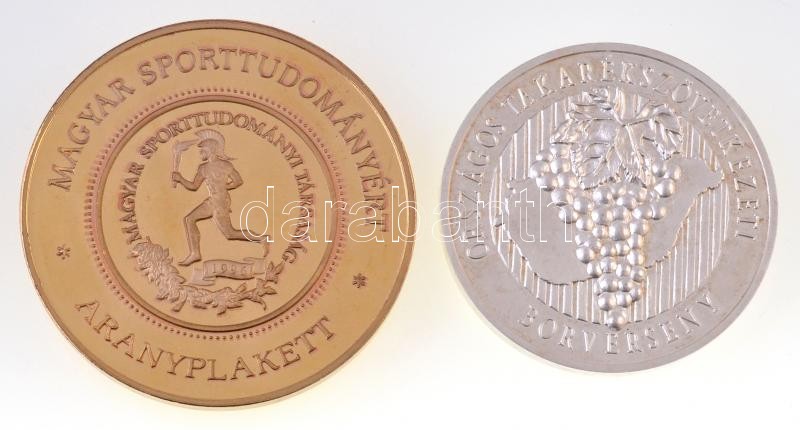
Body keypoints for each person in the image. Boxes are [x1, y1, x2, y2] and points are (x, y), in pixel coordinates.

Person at [171, 129, 251, 266]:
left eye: (202, 150)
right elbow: (238, 181)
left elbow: (193, 186)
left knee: (230, 233)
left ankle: (262, 238)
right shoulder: (214, 166)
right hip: (215, 200)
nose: (200, 153)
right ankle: (195, 253)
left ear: (210, 150)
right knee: (189, 219)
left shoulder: (207, 168)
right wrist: (224, 188)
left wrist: (180, 179)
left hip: (220, 202)